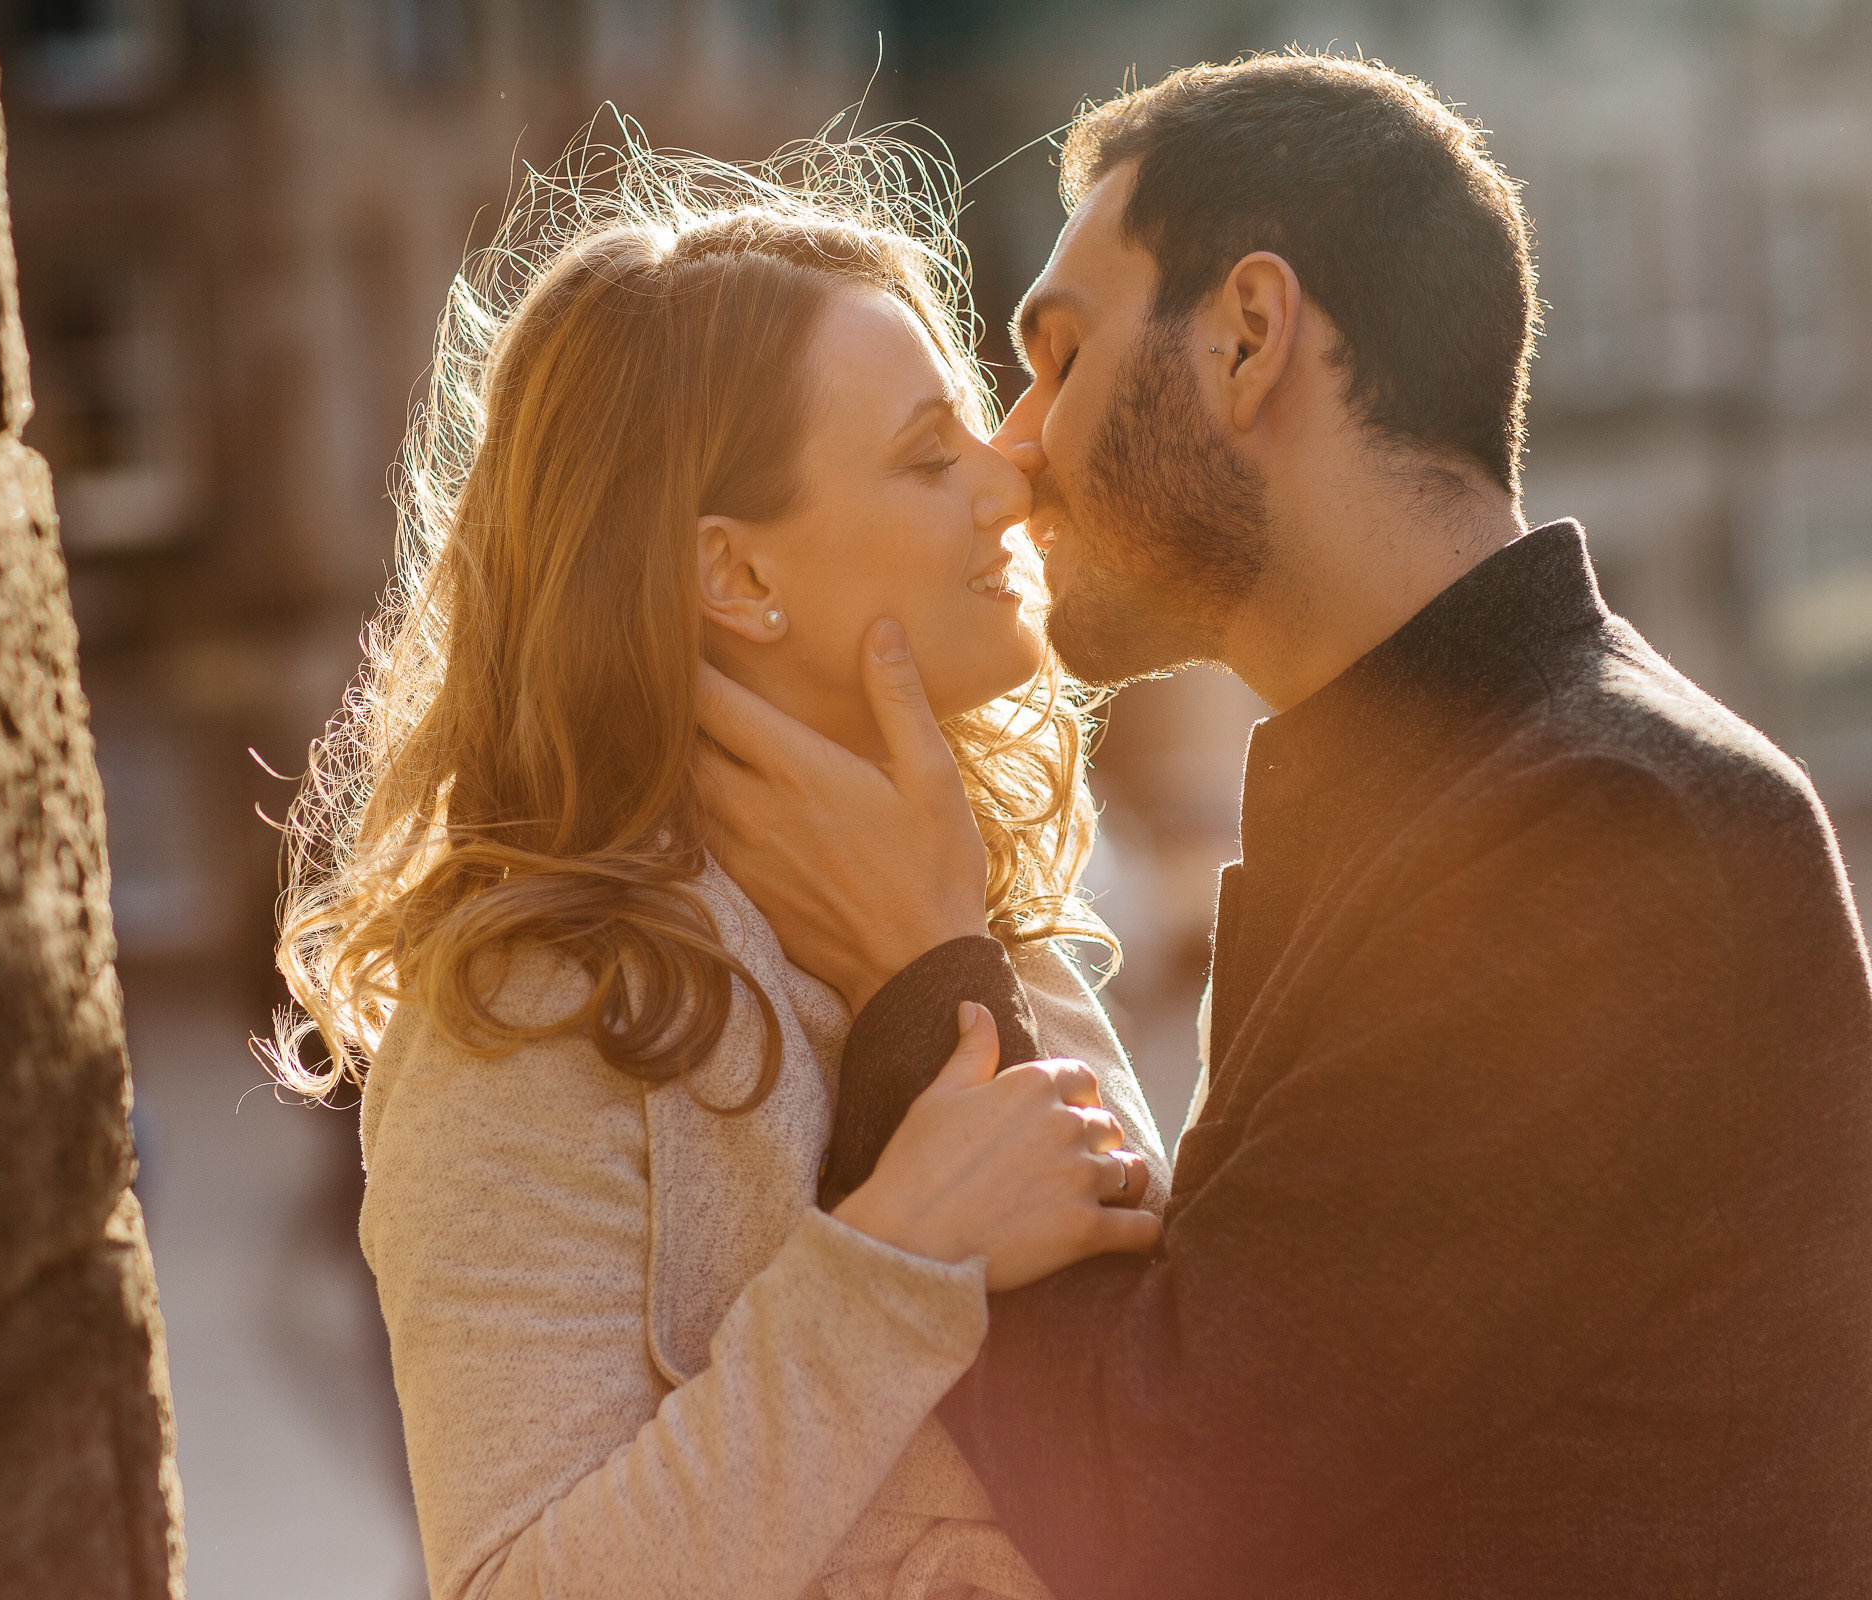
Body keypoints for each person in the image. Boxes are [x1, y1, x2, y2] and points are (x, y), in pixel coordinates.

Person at [698, 55, 1872, 1599]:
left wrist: (930, 975)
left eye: (1057, 357)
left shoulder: (1605, 830)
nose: (1019, 448)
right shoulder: (1462, 794)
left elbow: (1169, 1509)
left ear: (1250, 336)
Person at [270, 136, 1167, 1600]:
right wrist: (895, 1263)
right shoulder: (533, 1005)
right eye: (930, 457)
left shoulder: (989, 899)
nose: (1011, 489)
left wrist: (938, 956)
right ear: (735, 577)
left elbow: (1161, 1426)